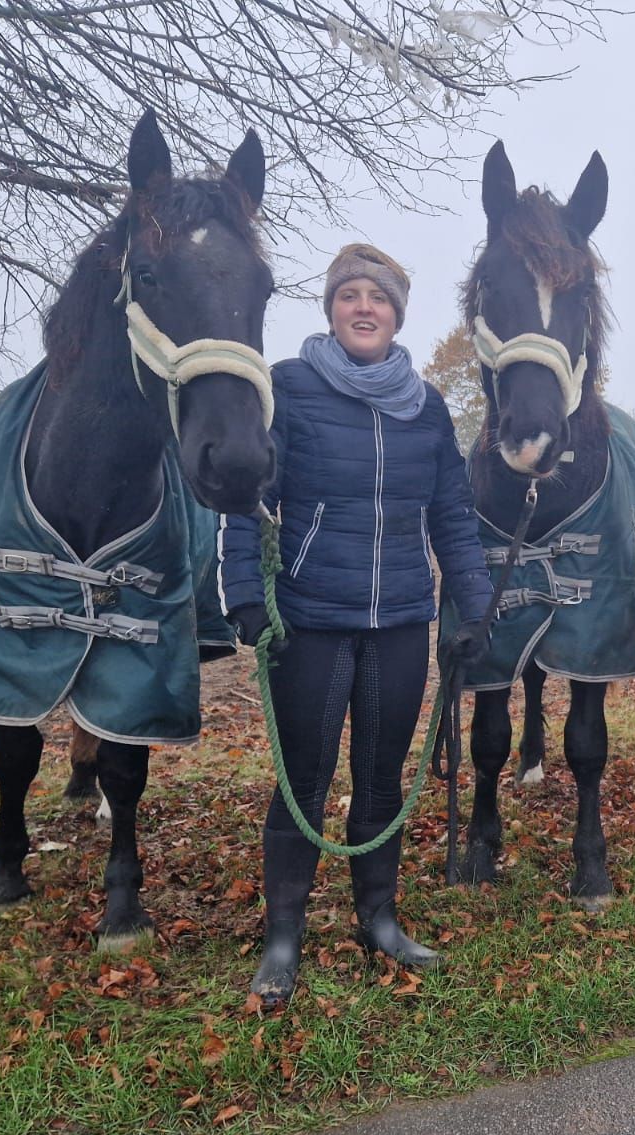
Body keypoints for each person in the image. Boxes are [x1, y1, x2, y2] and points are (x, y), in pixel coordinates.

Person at [218, 244, 493, 1006]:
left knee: (381, 777)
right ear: (332, 310)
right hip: (310, 620)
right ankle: (284, 934)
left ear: (398, 314)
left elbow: (454, 518)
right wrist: (244, 593)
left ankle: (380, 918)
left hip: (401, 620)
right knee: (302, 781)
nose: (363, 308)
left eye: (378, 297)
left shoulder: (427, 406)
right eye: (350, 296)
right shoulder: (288, 389)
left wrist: (473, 604)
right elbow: (248, 500)